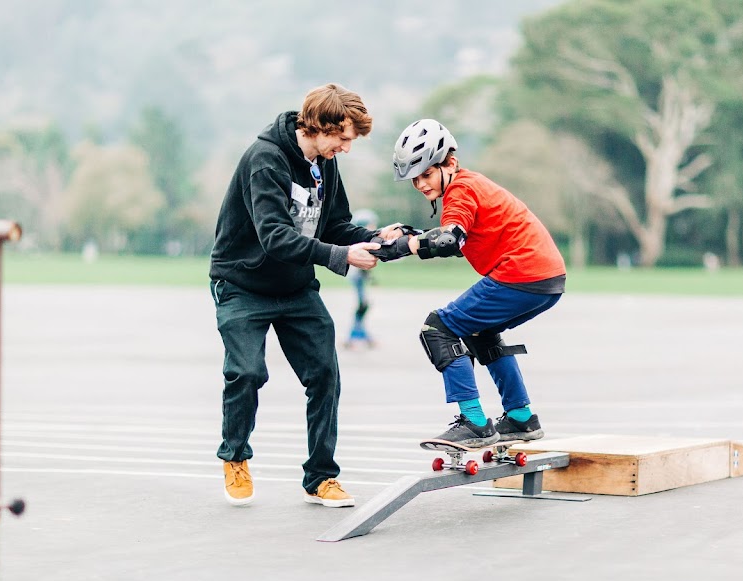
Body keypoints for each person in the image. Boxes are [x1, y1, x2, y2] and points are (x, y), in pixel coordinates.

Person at [209, 83, 381, 508]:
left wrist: (379, 238)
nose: (345, 147)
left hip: (295, 287)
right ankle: (234, 456)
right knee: (247, 372)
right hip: (242, 284)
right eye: (341, 138)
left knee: (325, 374)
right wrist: (341, 257)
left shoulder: (324, 163)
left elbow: (336, 225)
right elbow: (275, 238)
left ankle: (321, 477)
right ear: (319, 126)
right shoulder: (264, 160)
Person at [374, 118, 566, 447]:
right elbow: (457, 239)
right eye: (414, 178)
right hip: (547, 277)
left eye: (426, 173)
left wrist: (405, 247)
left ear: (450, 163)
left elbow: (448, 240)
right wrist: (415, 236)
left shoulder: (461, 189)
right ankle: (521, 418)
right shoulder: (473, 186)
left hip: (520, 273)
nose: (420, 184)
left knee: (438, 328)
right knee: (481, 330)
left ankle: (475, 422)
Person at [344, 209, 379, 350]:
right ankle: (352, 336)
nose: (373, 227)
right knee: (362, 306)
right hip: (356, 277)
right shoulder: (359, 241)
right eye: (371, 224)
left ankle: (361, 335)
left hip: (359, 277)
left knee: (363, 306)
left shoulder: (363, 239)